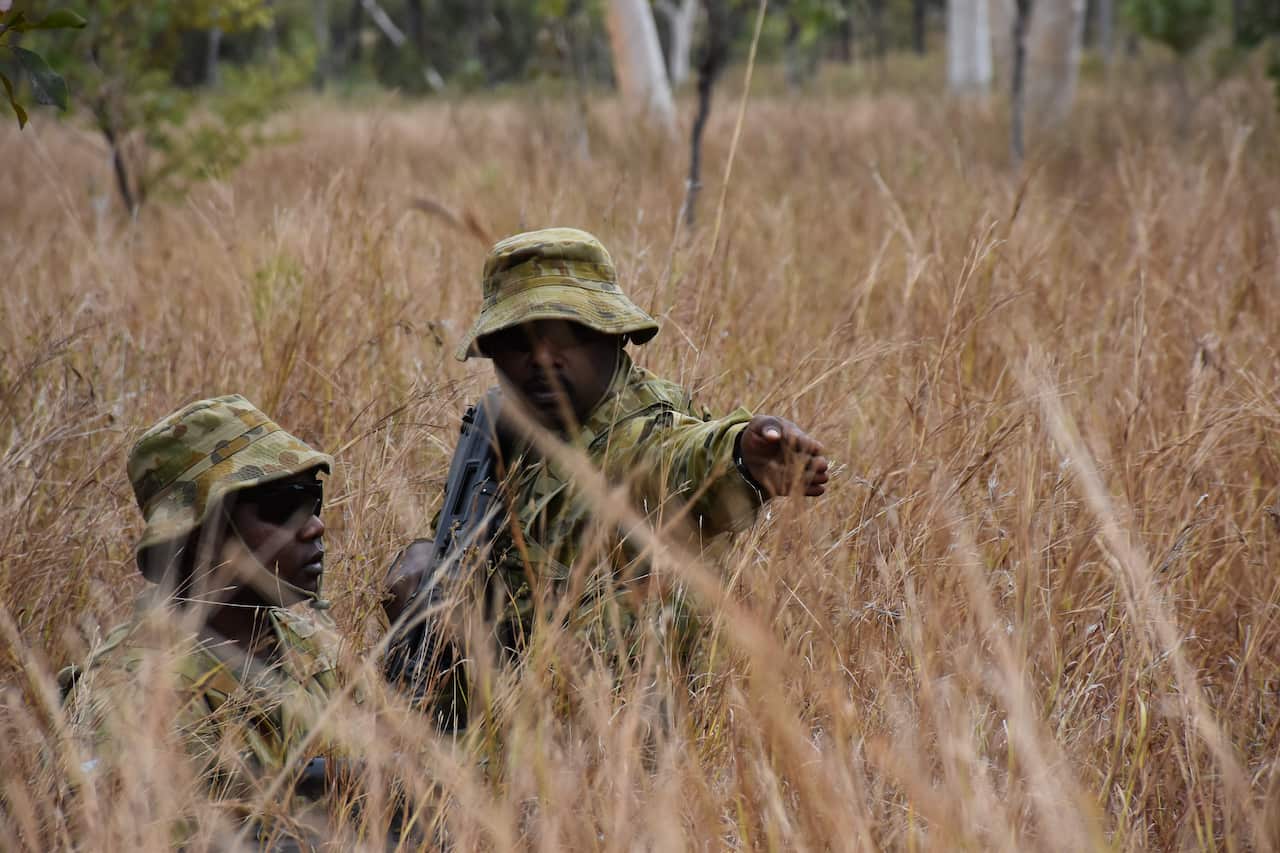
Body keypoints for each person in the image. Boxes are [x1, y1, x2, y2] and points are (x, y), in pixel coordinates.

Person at [384, 227, 829, 726]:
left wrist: (742, 457)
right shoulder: (506, 431)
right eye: (518, 339)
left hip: (613, 734)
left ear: (615, 336)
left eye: (570, 334)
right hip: (509, 694)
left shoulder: (638, 428)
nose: (542, 359)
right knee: (420, 573)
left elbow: (684, 457)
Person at [61, 394, 354, 843]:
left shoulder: (310, 641)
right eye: (282, 507)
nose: (314, 526)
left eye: (313, 499)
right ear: (198, 536)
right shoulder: (129, 702)